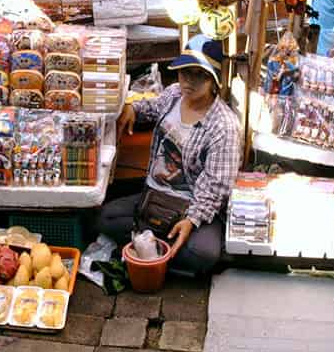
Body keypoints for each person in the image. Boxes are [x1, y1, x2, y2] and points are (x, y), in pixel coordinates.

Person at [98, 35, 242, 276]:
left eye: (199, 75)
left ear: (213, 80)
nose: (189, 81)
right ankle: (161, 247)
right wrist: (133, 108)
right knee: (105, 218)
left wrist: (192, 220)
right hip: (154, 196)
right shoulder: (174, 94)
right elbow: (152, 107)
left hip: (190, 204)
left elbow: (217, 186)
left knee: (203, 254)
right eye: (184, 72)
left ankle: (149, 246)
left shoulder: (224, 126)